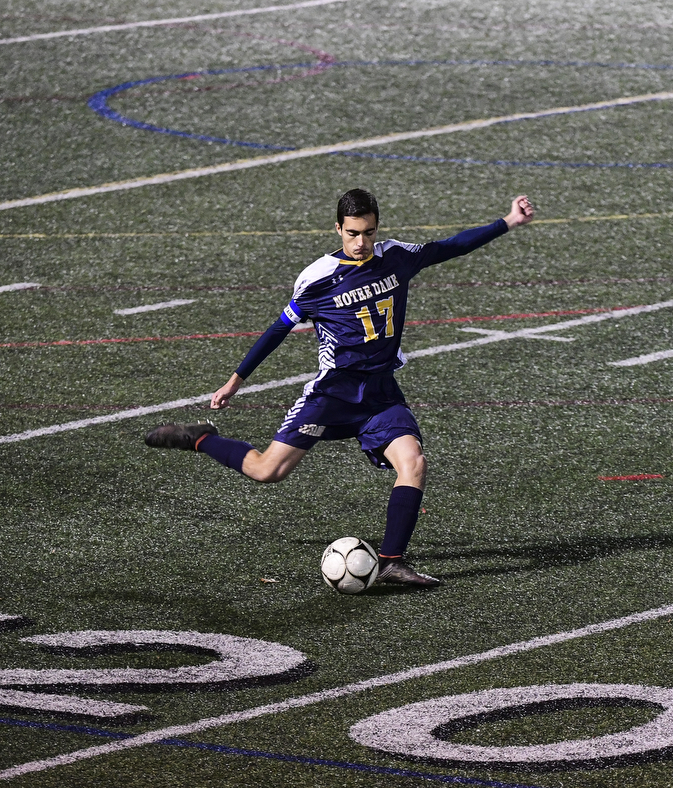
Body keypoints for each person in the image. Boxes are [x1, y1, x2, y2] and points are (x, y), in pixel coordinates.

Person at [144, 189, 535, 587]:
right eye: (352, 233)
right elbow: (279, 329)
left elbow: (452, 246)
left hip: (381, 392)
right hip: (333, 393)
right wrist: (236, 380)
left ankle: (391, 562)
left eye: (368, 232)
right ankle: (200, 439)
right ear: (337, 229)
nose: (360, 242)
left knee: (413, 463)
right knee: (267, 471)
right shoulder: (317, 279)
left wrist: (508, 222)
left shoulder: (396, 256)